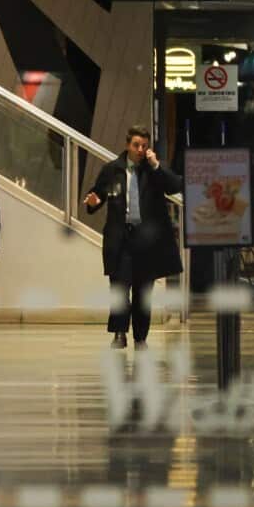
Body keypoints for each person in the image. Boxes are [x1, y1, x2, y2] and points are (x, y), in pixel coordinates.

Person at [84, 125, 184, 350]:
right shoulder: (112, 170)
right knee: (119, 287)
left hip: (146, 241)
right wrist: (93, 202)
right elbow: (97, 195)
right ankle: (119, 333)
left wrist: (156, 165)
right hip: (121, 239)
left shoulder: (152, 172)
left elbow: (175, 185)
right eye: (136, 145)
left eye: (144, 146)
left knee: (143, 291)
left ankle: (140, 337)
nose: (140, 150)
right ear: (127, 145)